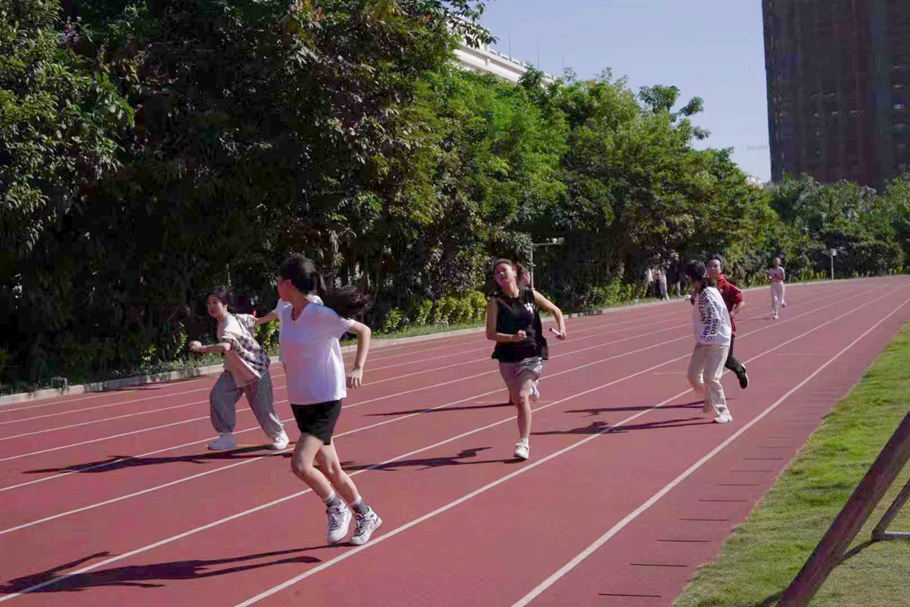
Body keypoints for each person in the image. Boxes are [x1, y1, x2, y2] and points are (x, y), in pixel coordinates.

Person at [276, 254, 381, 545]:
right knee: (331, 468)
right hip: (300, 399)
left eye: (278, 280)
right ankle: (366, 514)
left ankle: (336, 506)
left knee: (300, 465)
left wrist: (358, 367)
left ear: (288, 283)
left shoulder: (320, 314)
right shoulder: (285, 311)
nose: (276, 285)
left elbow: (364, 330)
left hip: (325, 399)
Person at [189, 286, 289, 451]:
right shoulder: (234, 318)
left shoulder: (229, 324)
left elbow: (226, 346)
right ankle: (226, 436)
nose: (211, 306)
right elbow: (254, 321)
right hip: (234, 371)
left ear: (225, 304)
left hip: (254, 371)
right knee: (218, 396)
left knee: (263, 409)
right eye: (208, 303)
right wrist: (272, 315)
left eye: (215, 302)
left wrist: (202, 348)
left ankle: (279, 434)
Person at [486, 259, 567, 461]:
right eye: (496, 272)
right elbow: (490, 334)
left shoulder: (530, 294)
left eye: (503, 270)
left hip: (532, 352)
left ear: (514, 272)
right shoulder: (495, 301)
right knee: (517, 400)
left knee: (522, 398)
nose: (500, 274)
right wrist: (511, 338)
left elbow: (556, 310)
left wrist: (562, 329)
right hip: (507, 356)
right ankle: (531, 387)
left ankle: (523, 443)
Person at [684, 261, 733, 424]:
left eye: (687, 276)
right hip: (705, 340)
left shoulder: (707, 293)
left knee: (710, 377)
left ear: (691, 277)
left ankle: (724, 412)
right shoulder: (701, 291)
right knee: (692, 375)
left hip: (718, 340)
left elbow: (715, 317)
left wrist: (705, 339)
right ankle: (709, 397)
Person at [705, 257, 749, 389]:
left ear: (721, 269)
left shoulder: (727, 287)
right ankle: (711, 390)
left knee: (726, 358)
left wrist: (733, 313)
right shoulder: (703, 286)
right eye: (710, 266)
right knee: (711, 358)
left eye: (715, 266)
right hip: (709, 328)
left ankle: (740, 370)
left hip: (725, 328)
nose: (712, 268)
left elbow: (741, 302)